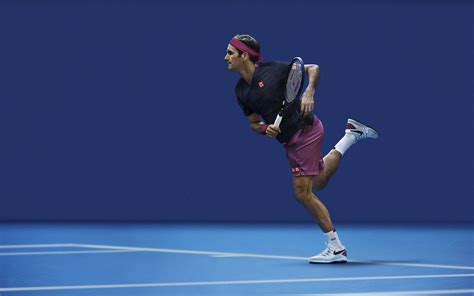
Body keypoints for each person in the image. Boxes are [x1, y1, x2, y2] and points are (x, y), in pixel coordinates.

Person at [224, 34, 379, 264]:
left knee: (302, 191)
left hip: (306, 131)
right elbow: (253, 124)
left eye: (230, 53)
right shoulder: (241, 91)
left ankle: (336, 247)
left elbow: (313, 68)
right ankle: (350, 135)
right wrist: (264, 128)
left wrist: (309, 91)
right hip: (290, 142)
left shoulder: (273, 70)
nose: (226, 57)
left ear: (244, 55)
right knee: (319, 180)